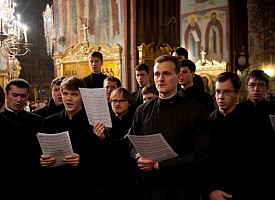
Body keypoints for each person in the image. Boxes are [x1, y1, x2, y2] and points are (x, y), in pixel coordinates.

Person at [128, 55, 210, 200]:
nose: (160, 79)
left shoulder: (195, 110)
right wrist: (138, 158)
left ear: (178, 77)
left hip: (181, 188)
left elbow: (200, 154)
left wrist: (162, 165)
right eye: (157, 74)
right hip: (149, 187)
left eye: (166, 73)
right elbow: (131, 145)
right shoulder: (142, 110)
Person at [205, 71, 272, 200]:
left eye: (227, 92)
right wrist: (210, 189)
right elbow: (202, 160)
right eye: (218, 92)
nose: (221, 97)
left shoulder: (255, 120)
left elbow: (265, 159)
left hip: (248, 191)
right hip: (216, 193)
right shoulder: (206, 123)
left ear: (238, 93)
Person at [40, 76, 102, 199]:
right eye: (65, 93)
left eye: (74, 94)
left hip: (84, 187)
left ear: (83, 97)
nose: (68, 98)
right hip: (56, 187)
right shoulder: (48, 122)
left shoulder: (94, 123)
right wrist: (42, 160)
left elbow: (103, 159)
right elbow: (40, 152)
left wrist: (82, 160)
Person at [94, 87, 136, 200]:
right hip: (108, 175)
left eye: (121, 100)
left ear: (129, 103)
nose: (117, 104)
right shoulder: (104, 120)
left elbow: (126, 144)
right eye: (114, 100)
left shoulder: (135, 119)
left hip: (129, 174)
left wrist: (104, 139)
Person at [0, 83, 42, 197]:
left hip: (30, 181)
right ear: (6, 95)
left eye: (23, 96)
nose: (19, 100)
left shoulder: (37, 120)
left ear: (27, 97)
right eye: (15, 95)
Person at [238, 69, 275, 198]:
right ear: (246, 87)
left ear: (267, 88)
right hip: (243, 170)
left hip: (267, 170)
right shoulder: (238, 110)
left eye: (261, 85)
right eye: (252, 85)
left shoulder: (273, 110)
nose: (256, 89)